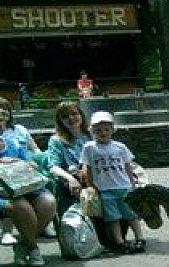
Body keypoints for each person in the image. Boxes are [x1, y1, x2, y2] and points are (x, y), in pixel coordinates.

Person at [0, 96, 56, 266]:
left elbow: (30, 158)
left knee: (49, 203)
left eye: (2, 115)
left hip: (25, 185)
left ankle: (22, 246)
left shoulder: (12, 140)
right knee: (20, 206)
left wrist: (30, 161)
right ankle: (33, 248)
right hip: (4, 192)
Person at [81, 111, 146, 254]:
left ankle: (140, 238)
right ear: (92, 131)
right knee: (112, 217)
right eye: (98, 130)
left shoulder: (120, 147)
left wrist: (133, 183)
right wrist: (90, 185)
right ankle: (119, 242)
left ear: (112, 130)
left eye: (106, 129)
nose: (103, 133)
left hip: (123, 185)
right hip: (105, 188)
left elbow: (128, 166)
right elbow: (89, 168)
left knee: (131, 214)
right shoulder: (89, 148)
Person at [46, 101, 92, 213]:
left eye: (74, 114)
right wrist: (70, 179)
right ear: (60, 121)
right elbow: (53, 167)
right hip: (72, 179)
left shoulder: (92, 134)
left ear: (81, 115)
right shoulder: (56, 140)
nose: (71, 118)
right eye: (65, 117)